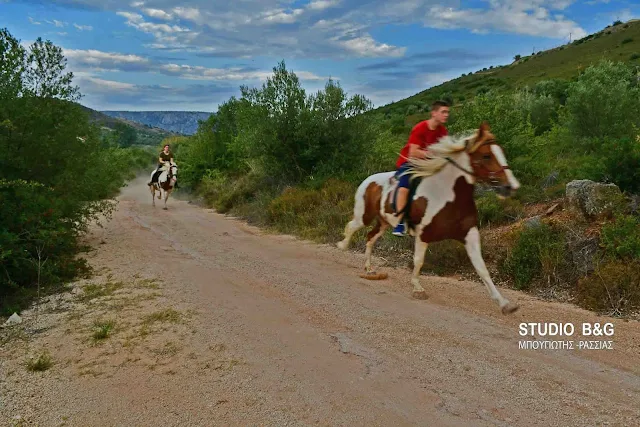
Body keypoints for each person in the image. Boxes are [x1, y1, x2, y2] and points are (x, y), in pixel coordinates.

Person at [392, 100, 450, 236]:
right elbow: (414, 152)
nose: (446, 115)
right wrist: (433, 154)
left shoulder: (443, 131)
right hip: (410, 162)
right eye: (443, 112)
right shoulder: (420, 128)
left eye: (447, 112)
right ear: (434, 113)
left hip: (429, 165)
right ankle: (399, 222)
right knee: (405, 187)